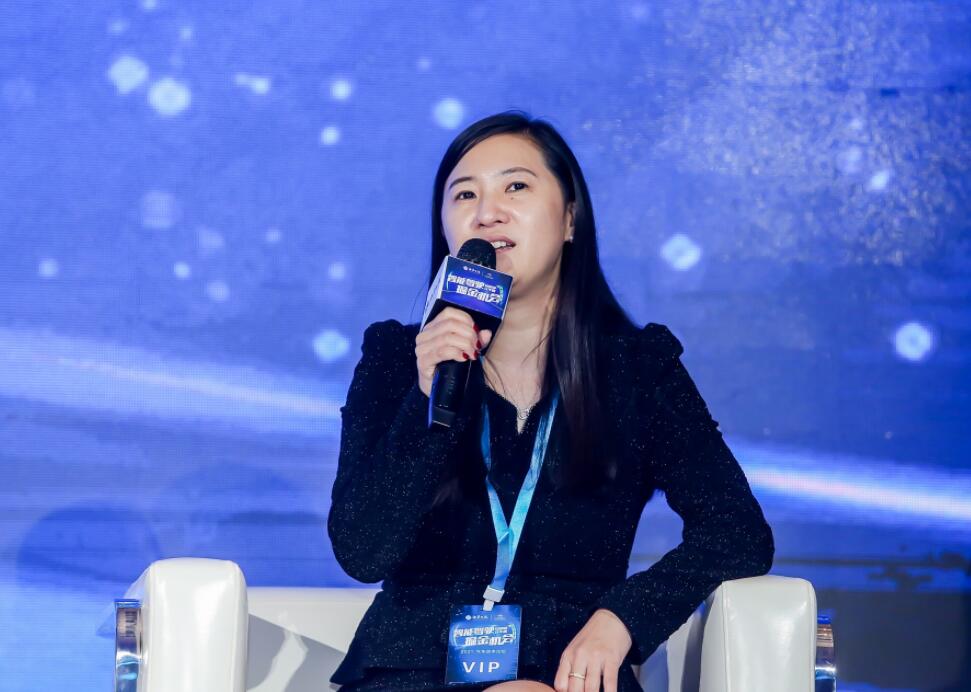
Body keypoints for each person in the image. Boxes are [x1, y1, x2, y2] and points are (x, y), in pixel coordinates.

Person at [327, 111, 774, 692]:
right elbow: (362, 552)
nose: (487, 212)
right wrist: (425, 398)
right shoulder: (396, 359)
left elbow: (736, 531)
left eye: (515, 186)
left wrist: (621, 619)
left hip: (574, 670)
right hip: (412, 670)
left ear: (569, 218)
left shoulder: (638, 370)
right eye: (464, 194)